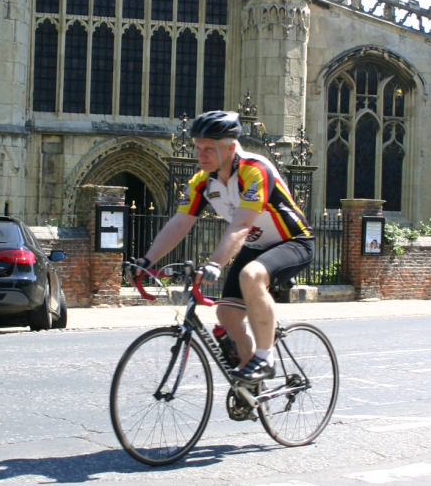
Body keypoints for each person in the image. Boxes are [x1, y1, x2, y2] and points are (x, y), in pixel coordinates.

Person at [132, 110, 315, 384]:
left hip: (293, 241)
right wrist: (145, 262)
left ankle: (265, 359)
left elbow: (241, 225)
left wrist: (215, 263)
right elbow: (179, 224)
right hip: (256, 248)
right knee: (226, 313)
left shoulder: (256, 170)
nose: (201, 154)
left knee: (250, 275)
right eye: (197, 147)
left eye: (208, 148)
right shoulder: (202, 181)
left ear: (231, 147)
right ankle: (250, 383)